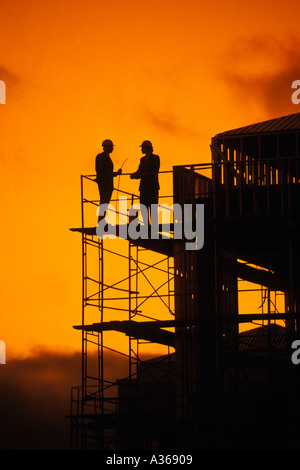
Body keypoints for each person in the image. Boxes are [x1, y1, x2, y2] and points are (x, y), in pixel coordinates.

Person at [130, 140, 160, 226]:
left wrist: (139, 174)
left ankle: (154, 225)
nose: (141, 149)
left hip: (152, 186)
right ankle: (146, 224)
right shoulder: (142, 160)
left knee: (153, 207)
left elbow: (153, 170)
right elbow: (140, 171)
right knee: (144, 207)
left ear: (147, 148)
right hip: (144, 187)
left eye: (142, 147)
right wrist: (134, 175)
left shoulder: (156, 158)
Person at [95, 139, 122, 221]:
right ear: (106, 147)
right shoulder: (101, 157)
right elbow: (103, 170)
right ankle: (101, 220)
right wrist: (115, 173)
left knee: (105, 202)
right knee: (104, 201)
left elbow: (106, 171)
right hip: (104, 183)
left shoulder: (106, 157)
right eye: (111, 147)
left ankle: (101, 220)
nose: (112, 149)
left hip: (108, 184)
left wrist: (115, 173)